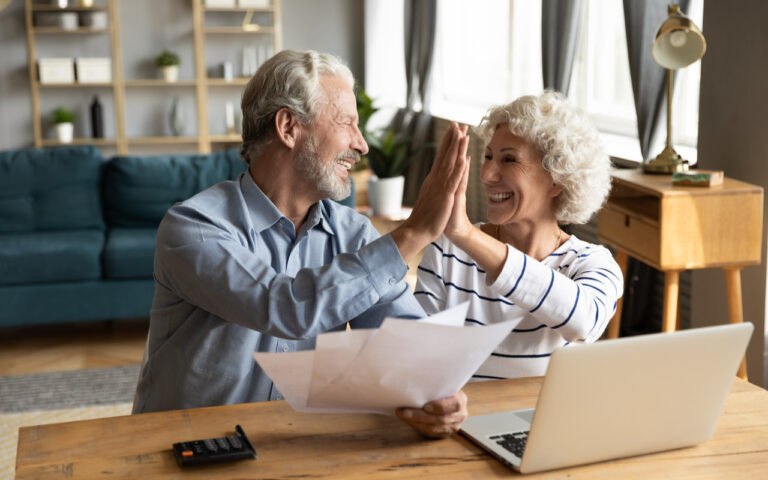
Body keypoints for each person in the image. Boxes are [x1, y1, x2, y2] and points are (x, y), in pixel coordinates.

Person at [132, 50, 471, 438]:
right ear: (288, 127)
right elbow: (285, 308)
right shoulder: (193, 227)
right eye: (347, 123)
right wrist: (413, 233)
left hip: (288, 445)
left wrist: (435, 392)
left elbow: (402, 338)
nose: (361, 145)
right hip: (182, 450)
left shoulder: (352, 234)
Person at [415, 91, 623, 380]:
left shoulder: (591, 263)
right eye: (488, 156)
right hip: (461, 419)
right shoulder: (448, 250)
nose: (487, 174)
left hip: (546, 422)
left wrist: (466, 235)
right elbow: (417, 355)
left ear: (557, 180)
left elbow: (583, 322)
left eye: (509, 160)